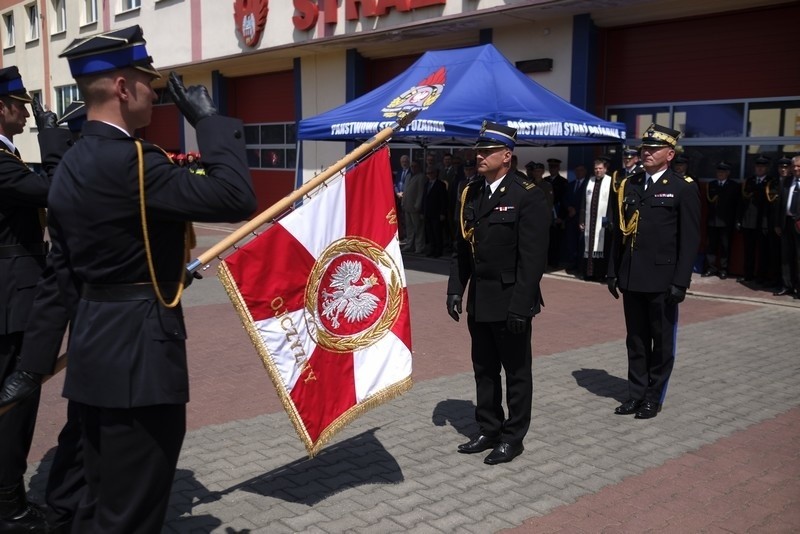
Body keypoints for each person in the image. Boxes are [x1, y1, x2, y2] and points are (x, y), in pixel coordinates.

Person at [4, 25, 257, 532]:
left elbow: (61, 277)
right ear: (122, 88)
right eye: (146, 80)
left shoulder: (70, 163)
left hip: (94, 357)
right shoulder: (138, 165)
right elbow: (237, 198)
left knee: (93, 501)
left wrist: (30, 370)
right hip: (142, 364)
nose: (155, 90)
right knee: (131, 515)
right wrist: (209, 125)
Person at [446, 121, 550, 465]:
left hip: (511, 300)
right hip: (481, 299)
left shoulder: (529, 195)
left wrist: (521, 307)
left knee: (517, 372)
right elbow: (461, 247)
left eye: (487, 151)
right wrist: (455, 289)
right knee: (484, 369)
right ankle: (488, 428)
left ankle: (513, 436)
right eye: (479, 150)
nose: (480, 156)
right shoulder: (471, 192)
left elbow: (532, 260)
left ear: (507, 155)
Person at [0, 66, 73, 532]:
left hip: (12, 297)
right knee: (14, 406)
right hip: (12, 302)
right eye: (22, 107)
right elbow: (56, 190)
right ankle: (10, 506)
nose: (27, 114)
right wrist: (53, 139)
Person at [607, 123, 700, 420]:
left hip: (662, 279)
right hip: (632, 275)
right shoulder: (630, 184)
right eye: (644, 148)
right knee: (635, 339)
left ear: (669, 154)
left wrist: (681, 282)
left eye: (653, 148)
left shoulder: (682, 187)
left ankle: (653, 397)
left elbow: (689, 240)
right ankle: (635, 394)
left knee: (661, 343)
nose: (645, 152)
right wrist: (612, 271)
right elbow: (618, 232)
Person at [737, 155, 777, 285]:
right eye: (757, 166)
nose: (759, 169)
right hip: (748, 222)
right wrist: (740, 220)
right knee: (749, 251)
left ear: (767, 168)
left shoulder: (772, 182)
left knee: (763, 252)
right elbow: (742, 203)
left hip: (762, 222)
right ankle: (747, 275)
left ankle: (761, 276)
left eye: (762, 167)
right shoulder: (749, 181)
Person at [702, 162, 739, 279]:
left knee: (725, 246)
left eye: (723, 172)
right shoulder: (711, 185)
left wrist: (737, 221)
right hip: (713, 221)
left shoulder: (733, 185)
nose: (720, 174)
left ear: (727, 173)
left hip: (726, 221)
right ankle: (711, 268)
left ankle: (723, 269)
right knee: (711, 246)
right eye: (718, 172)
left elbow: (737, 205)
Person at [580, 158, 614, 281]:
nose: (598, 171)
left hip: (603, 221)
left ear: (605, 169)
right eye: (596, 169)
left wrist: (608, 221)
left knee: (602, 247)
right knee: (588, 247)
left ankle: (600, 274)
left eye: (600, 168)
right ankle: (589, 273)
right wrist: (581, 220)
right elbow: (583, 202)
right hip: (590, 221)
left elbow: (611, 203)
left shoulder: (610, 182)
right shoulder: (589, 181)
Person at [773, 155, 800, 298]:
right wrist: (777, 224)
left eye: (798, 166)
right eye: (794, 166)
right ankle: (787, 285)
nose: (795, 169)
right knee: (786, 257)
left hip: (799, 224)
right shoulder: (786, 181)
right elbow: (779, 204)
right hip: (786, 223)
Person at [545, 157, 567, 269]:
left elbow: (564, 201)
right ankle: (547, 261)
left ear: (558, 168)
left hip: (557, 214)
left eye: (554, 167)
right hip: (547, 214)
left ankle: (555, 262)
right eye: (550, 167)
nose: (552, 169)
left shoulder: (563, 182)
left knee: (556, 240)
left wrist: (562, 217)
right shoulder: (545, 180)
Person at [422, 164, 447, 257]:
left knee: (437, 233)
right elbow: (424, 199)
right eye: (427, 173)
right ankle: (432, 250)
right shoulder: (426, 184)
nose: (429, 175)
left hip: (437, 213)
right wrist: (422, 212)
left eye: (431, 173)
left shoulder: (441, 184)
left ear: (436, 173)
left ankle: (438, 251)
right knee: (430, 233)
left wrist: (442, 213)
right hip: (428, 213)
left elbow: (443, 200)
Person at [401, 159, 425, 254]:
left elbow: (420, 192)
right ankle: (409, 245)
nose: (413, 168)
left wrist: (417, 205)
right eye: (412, 166)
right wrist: (403, 202)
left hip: (415, 207)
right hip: (407, 205)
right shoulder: (408, 176)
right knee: (409, 228)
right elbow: (405, 190)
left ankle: (419, 246)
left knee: (418, 228)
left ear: (419, 167)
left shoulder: (421, 177)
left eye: (415, 166)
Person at [394, 154, 411, 241]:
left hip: (408, 199)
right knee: (401, 218)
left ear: (409, 162)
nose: (404, 163)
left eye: (406, 161)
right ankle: (403, 235)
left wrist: (404, 193)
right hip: (399, 198)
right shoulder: (399, 172)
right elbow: (395, 184)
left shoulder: (411, 172)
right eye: (402, 162)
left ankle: (408, 237)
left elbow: (411, 186)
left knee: (408, 219)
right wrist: (397, 193)